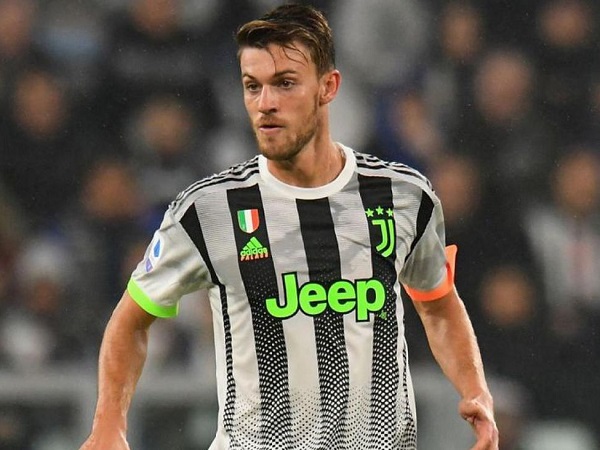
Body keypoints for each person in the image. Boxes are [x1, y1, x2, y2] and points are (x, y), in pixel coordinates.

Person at [79, 4, 498, 449]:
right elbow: (131, 319)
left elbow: (438, 306)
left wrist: (475, 389)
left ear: (328, 86)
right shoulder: (208, 211)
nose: (266, 104)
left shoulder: (403, 197)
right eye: (252, 86)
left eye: (284, 83)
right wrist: (109, 423)